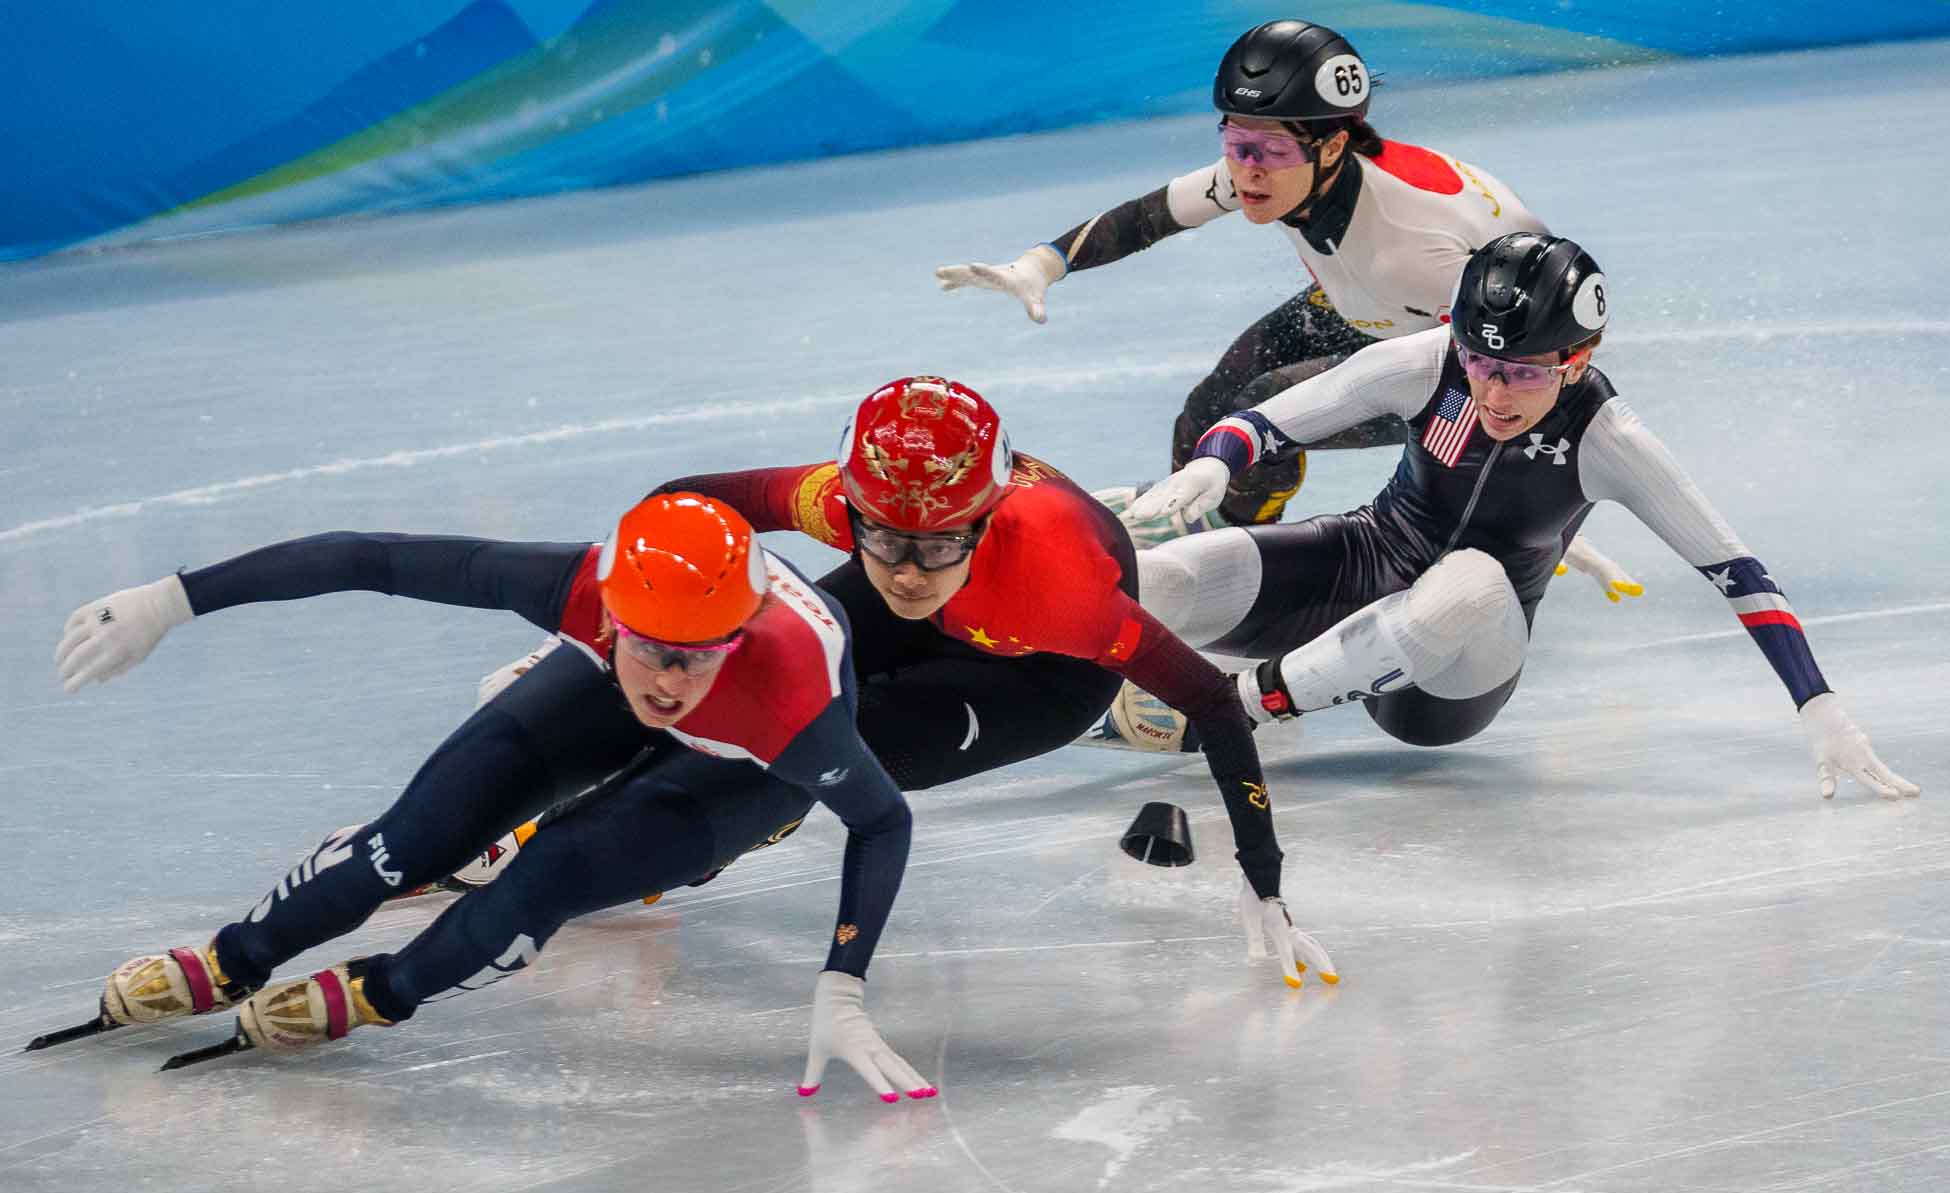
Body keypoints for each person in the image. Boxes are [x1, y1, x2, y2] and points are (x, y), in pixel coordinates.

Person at [47, 494, 937, 1100]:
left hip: (746, 770)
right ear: (609, 614)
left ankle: (380, 991)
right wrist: (174, 599)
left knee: (544, 876)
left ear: (739, 635)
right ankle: (239, 954)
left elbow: (882, 818)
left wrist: (843, 985)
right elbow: (369, 558)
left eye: (697, 652)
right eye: (651, 646)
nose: (669, 679)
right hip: (603, 681)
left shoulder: (792, 706)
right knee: (408, 843)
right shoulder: (575, 587)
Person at [475, 376, 1336, 986]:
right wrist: (642, 617)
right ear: (852, 509)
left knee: (818, 742)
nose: (909, 569)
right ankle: (554, 811)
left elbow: (1216, 701)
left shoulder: (1063, 590)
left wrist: (1263, 876)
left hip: (1040, 674)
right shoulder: (867, 514)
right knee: (746, 665)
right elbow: (685, 503)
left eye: (936, 542)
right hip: (966, 596)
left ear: (984, 520)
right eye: (883, 535)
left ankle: (684, 845)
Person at [1113, 233, 1919, 802]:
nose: (1495, 394)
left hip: (1451, 672)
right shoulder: (1429, 364)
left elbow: (1738, 571)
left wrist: (1819, 704)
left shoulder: (1610, 438)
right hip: (1364, 563)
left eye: (1525, 374)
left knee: (1469, 581)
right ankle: (1029, 677)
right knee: (1159, 579)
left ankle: (1232, 711)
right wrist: (1216, 463)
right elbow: (1264, 420)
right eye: (1481, 363)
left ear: (1580, 360)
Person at [935, 18, 1545, 531]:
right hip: (1379, 307)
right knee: (1209, 404)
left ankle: (1228, 552)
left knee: (1261, 408)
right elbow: (1150, 217)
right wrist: (1041, 265)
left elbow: (1506, 365)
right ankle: (1196, 522)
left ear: (1333, 146)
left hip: (1486, 351)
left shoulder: (1417, 242)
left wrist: (1502, 491)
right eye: (1235, 140)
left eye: (1270, 151)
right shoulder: (1282, 165)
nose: (1247, 171)